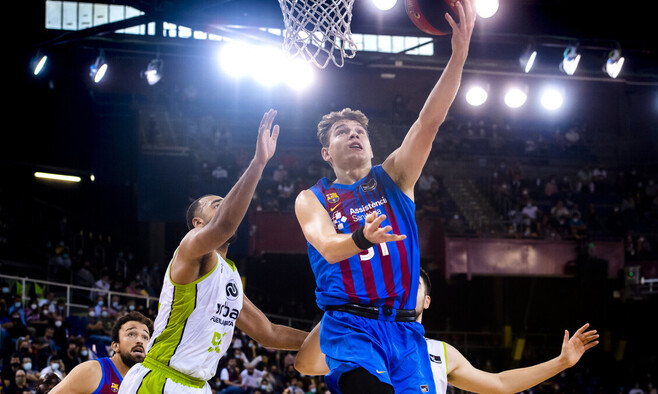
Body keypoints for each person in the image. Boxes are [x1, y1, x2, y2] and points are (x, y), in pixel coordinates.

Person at [293, 2, 476, 391]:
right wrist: (362, 238)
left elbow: (429, 121)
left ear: (372, 147)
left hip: (405, 328)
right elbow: (327, 246)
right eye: (342, 131)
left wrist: (458, 58)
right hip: (351, 324)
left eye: (359, 131)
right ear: (326, 152)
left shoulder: (394, 176)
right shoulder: (313, 197)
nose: (354, 134)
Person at [119, 109, 308, 393]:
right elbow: (225, 224)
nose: (225, 208)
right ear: (197, 223)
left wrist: (327, 338)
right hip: (160, 379)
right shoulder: (191, 247)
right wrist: (258, 164)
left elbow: (269, 333)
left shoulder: (230, 276)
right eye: (216, 205)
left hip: (199, 385)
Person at [294, 269, 600, 394]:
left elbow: (502, 383)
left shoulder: (440, 352)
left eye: (413, 286)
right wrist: (342, 308)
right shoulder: (361, 342)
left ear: (427, 301)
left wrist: (560, 363)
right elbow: (306, 365)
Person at [48, 311, 154, 393]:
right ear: (115, 346)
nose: (140, 341)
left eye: (145, 337)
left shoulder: (147, 384)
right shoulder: (92, 371)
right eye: (131, 334)